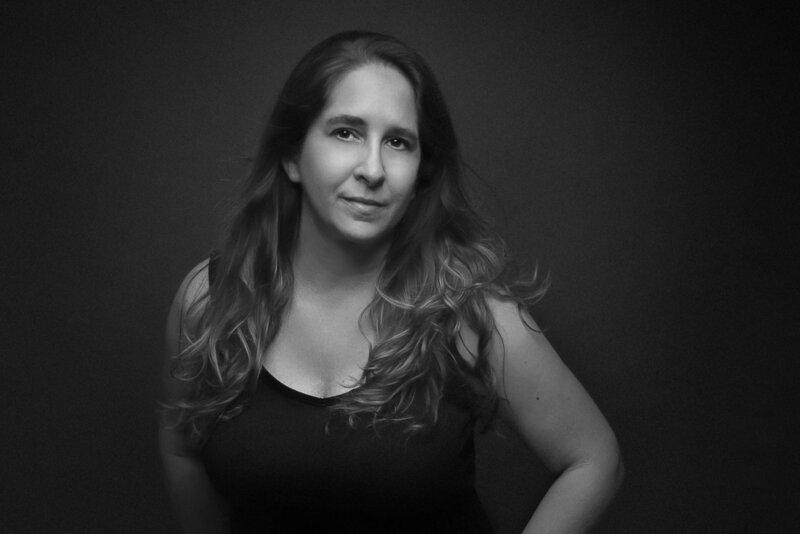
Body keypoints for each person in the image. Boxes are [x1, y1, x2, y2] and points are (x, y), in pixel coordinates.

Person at [159, 30, 623, 534]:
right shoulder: (212, 298)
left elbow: (593, 459)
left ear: (421, 169)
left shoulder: (463, 308)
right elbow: (181, 446)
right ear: (292, 155)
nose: (374, 169)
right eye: (346, 132)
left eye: (398, 142)